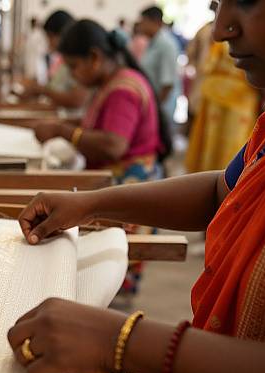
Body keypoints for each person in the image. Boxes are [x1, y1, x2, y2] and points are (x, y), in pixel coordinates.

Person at [7, 0, 265, 373]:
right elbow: (223, 191)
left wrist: (122, 340)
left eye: (246, 1)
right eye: (216, 4)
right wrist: (90, 203)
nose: (222, 28)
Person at [32, 20, 172, 295]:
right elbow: (99, 125)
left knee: (104, 281)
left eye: (73, 67)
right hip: (121, 184)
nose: (72, 75)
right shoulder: (114, 82)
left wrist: (63, 130)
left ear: (94, 58)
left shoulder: (122, 89)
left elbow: (113, 145)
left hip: (128, 188)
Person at [185, 40, 259, 172]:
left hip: (220, 96)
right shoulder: (252, 41)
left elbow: (207, 65)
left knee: (213, 141)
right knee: (230, 142)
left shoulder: (221, 42)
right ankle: (226, 180)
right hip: (235, 98)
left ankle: (215, 177)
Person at [18, 10, 89, 111]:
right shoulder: (61, 61)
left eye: (50, 37)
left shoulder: (78, 62)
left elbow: (77, 100)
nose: (48, 42)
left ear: (63, 35)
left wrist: (42, 90)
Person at [139, 6, 181, 126]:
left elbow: (167, 84)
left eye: (143, 21)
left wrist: (155, 108)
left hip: (161, 107)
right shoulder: (153, 43)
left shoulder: (166, 45)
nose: (140, 25)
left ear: (155, 22)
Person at [23, 18, 48, 85]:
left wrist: (39, 51)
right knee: (30, 73)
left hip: (37, 56)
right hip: (30, 56)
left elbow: (43, 45)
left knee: (38, 72)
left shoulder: (39, 33)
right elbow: (27, 45)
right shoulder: (30, 33)